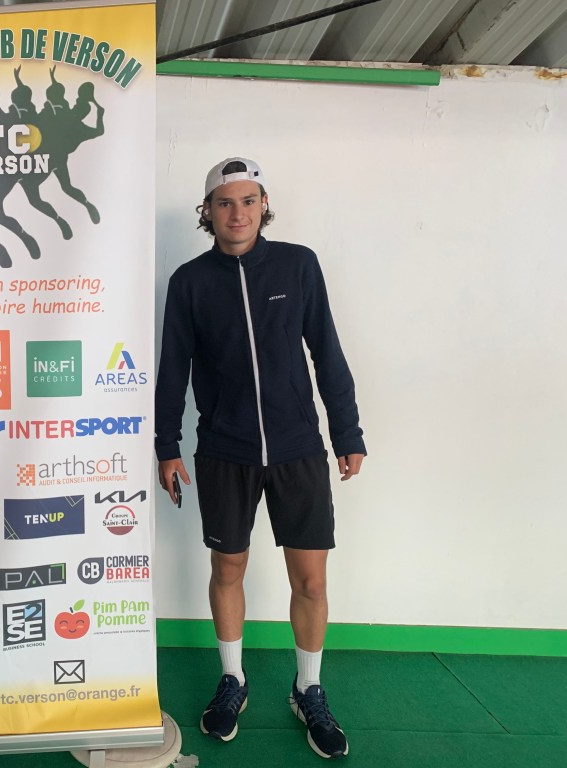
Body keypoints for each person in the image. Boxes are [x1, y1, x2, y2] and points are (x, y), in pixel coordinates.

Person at [154, 158, 365, 759]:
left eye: (248, 201)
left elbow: (326, 350)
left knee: (312, 579)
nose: (237, 213)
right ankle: (233, 679)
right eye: (225, 202)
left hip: (298, 447)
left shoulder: (298, 265)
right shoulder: (190, 282)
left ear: (264, 205)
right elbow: (173, 368)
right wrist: (166, 445)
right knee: (228, 569)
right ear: (208, 212)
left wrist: (347, 431)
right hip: (225, 449)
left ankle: (309, 688)